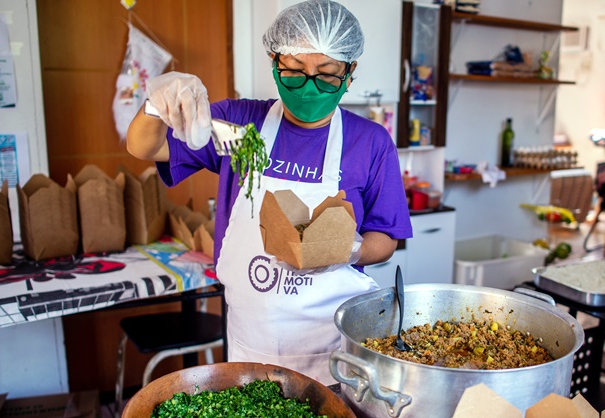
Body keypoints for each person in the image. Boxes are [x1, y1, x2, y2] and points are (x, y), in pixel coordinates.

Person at [126, 0, 412, 384]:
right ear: (274, 61)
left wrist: (350, 250)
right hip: (250, 347)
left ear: (350, 72)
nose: (309, 87)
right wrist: (157, 106)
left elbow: (387, 238)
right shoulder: (242, 127)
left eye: (326, 74)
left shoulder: (370, 142)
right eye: (294, 71)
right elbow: (145, 148)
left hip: (334, 354)